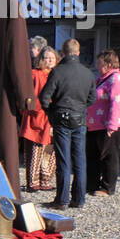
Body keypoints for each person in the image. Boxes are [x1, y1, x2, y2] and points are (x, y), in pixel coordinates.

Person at [38, 38, 96, 209]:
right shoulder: (87, 73)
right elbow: (92, 98)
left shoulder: (57, 72)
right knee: (80, 160)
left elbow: (44, 98)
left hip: (61, 118)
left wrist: (51, 112)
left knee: (63, 160)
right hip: (79, 119)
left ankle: (62, 200)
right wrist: (80, 108)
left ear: (62, 53)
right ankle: (79, 199)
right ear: (78, 53)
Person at [87, 50, 120, 197]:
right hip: (97, 124)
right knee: (94, 154)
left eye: (99, 63)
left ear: (108, 64)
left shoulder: (116, 80)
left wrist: (112, 126)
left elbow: (117, 103)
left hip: (112, 125)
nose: (97, 66)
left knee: (109, 155)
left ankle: (107, 187)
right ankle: (91, 184)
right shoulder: (102, 79)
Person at [21, 48, 57, 192]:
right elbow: (29, 95)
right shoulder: (35, 74)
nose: (49, 61)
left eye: (52, 58)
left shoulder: (57, 74)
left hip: (52, 117)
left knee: (50, 150)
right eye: (47, 58)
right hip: (37, 115)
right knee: (35, 150)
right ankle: (33, 181)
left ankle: (46, 179)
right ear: (42, 59)